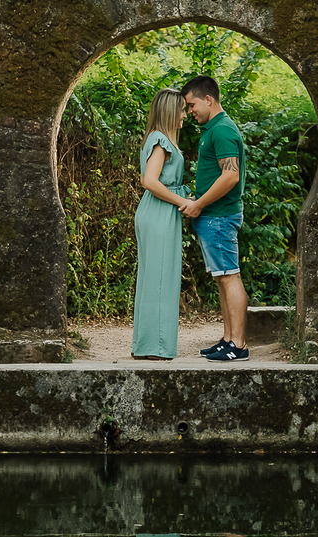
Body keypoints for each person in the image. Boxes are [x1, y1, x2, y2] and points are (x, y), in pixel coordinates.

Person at [180, 76, 249, 363]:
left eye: (192, 104)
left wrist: (198, 204)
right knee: (222, 277)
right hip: (213, 216)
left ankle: (238, 345)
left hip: (219, 217)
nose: (190, 111)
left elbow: (230, 176)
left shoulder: (221, 130)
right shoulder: (213, 128)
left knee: (230, 276)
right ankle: (228, 339)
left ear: (208, 99)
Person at [132, 88, 194, 361]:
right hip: (159, 212)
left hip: (157, 210)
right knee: (160, 279)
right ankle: (155, 347)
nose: (185, 115)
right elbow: (149, 181)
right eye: (181, 110)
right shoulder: (160, 140)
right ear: (170, 111)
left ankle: (145, 344)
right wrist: (183, 202)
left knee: (153, 277)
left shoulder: (157, 138)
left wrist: (184, 198)